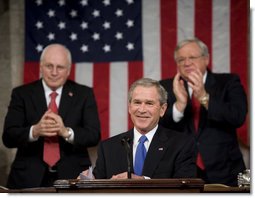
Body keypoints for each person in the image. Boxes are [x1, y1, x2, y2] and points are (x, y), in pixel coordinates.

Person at [2, 43, 101, 189]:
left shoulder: (84, 94)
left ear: (68, 70)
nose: (54, 72)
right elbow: (8, 137)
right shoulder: (21, 94)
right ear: (41, 67)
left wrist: (66, 132)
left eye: (60, 67)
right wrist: (34, 131)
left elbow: (94, 135)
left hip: (73, 176)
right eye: (49, 66)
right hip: (27, 177)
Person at [159, 38, 248, 186]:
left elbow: (237, 117)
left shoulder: (228, 82)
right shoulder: (166, 86)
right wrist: (179, 106)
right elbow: (157, 126)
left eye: (192, 57)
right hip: (182, 171)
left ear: (206, 59)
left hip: (226, 171)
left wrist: (204, 97)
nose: (186, 63)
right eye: (181, 59)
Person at [80, 78, 196, 179]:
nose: (142, 110)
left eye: (149, 103)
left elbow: (184, 187)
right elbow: (98, 186)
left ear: (162, 109)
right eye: (137, 102)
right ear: (129, 107)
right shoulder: (108, 148)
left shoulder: (181, 144)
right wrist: (87, 181)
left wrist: (143, 181)